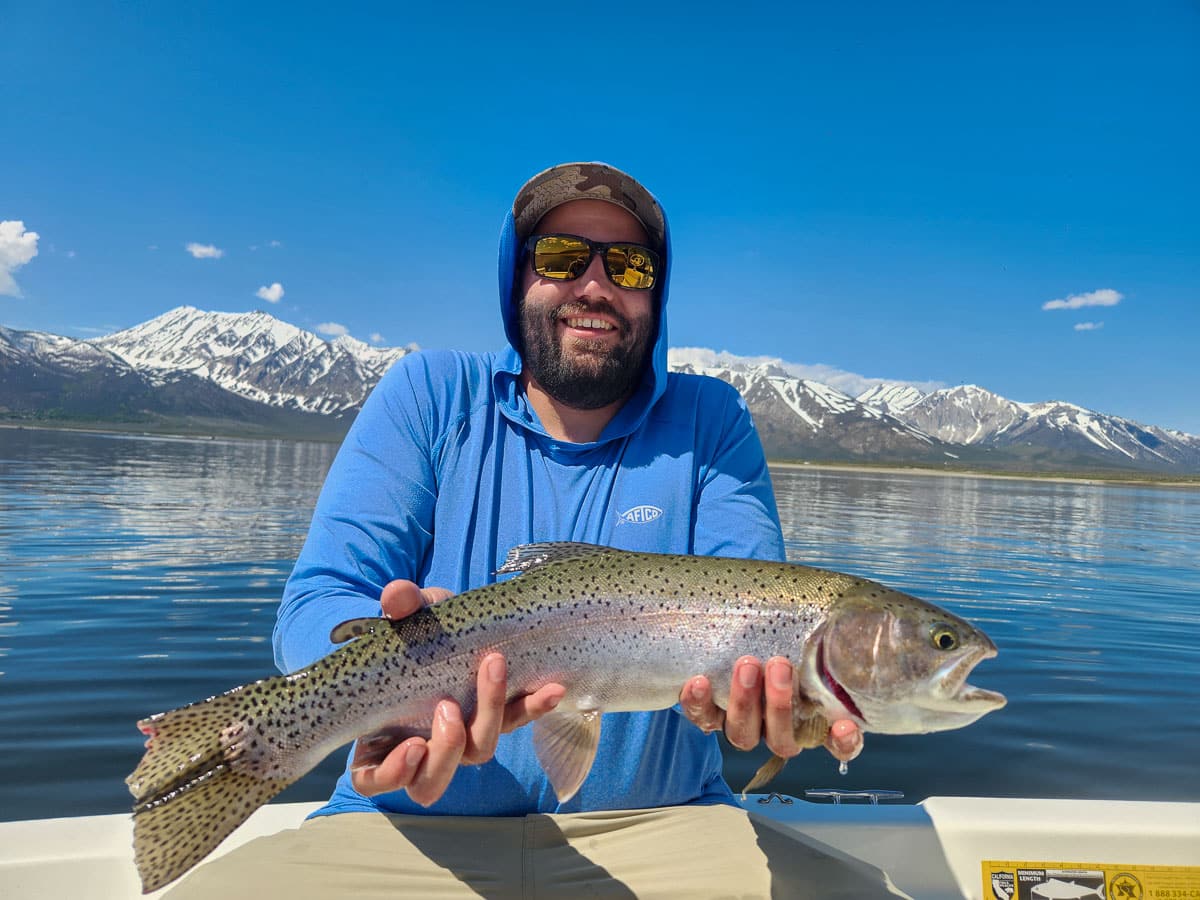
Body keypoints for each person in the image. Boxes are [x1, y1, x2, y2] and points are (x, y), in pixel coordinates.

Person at [165, 162, 898, 899]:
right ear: (517, 279)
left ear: (657, 294)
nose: (594, 286)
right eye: (560, 257)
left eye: (630, 265)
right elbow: (318, 599)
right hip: (404, 821)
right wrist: (388, 650)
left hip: (665, 823)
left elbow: (756, 601)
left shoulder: (712, 422)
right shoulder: (429, 393)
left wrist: (788, 706)